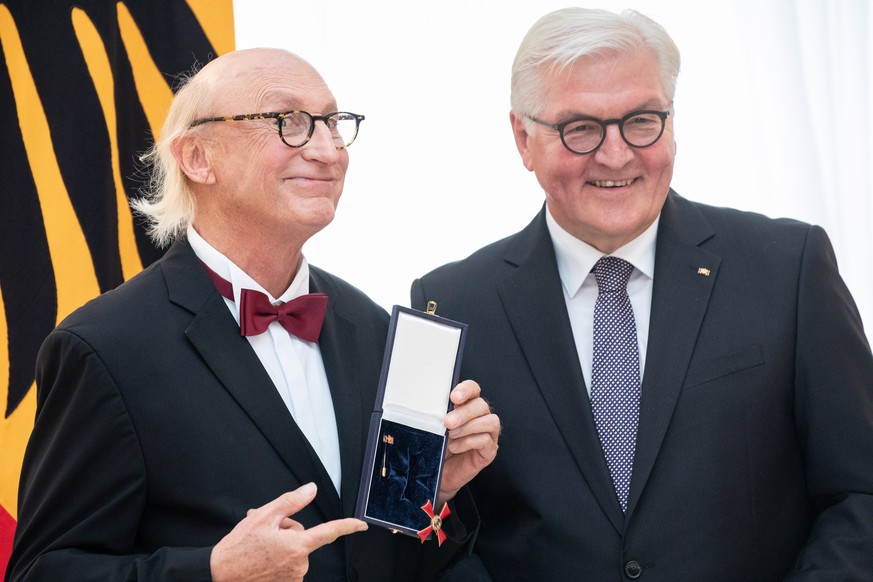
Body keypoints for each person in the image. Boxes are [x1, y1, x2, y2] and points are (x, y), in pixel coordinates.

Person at [411, 7, 873, 581]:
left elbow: (861, 493)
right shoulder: (447, 303)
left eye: (642, 120)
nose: (616, 154)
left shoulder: (788, 268)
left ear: (672, 120)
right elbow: (422, 528)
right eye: (580, 128)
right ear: (522, 138)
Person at [7, 47, 500, 582]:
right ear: (197, 157)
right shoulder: (103, 347)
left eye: (333, 124)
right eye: (287, 122)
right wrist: (213, 571)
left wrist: (434, 492)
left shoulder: (374, 330)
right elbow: (44, 570)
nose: (327, 150)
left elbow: (406, 560)